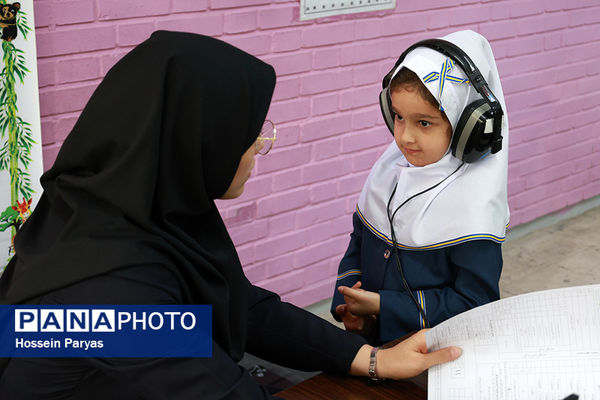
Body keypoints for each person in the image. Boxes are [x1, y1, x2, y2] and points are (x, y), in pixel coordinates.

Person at [0, 31, 461, 399]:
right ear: (199, 141)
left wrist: (371, 360)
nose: (261, 145)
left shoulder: (127, 208)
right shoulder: (111, 294)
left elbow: (239, 305)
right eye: (249, 132)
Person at [331, 30, 510, 345]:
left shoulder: (474, 211)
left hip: (432, 358)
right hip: (374, 345)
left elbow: (475, 304)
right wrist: (352, 307)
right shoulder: (387, 174)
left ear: (469, 127)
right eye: (398, 117)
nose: (404, 137)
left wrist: (384, 306)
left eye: (424, 123)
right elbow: (357, 245)